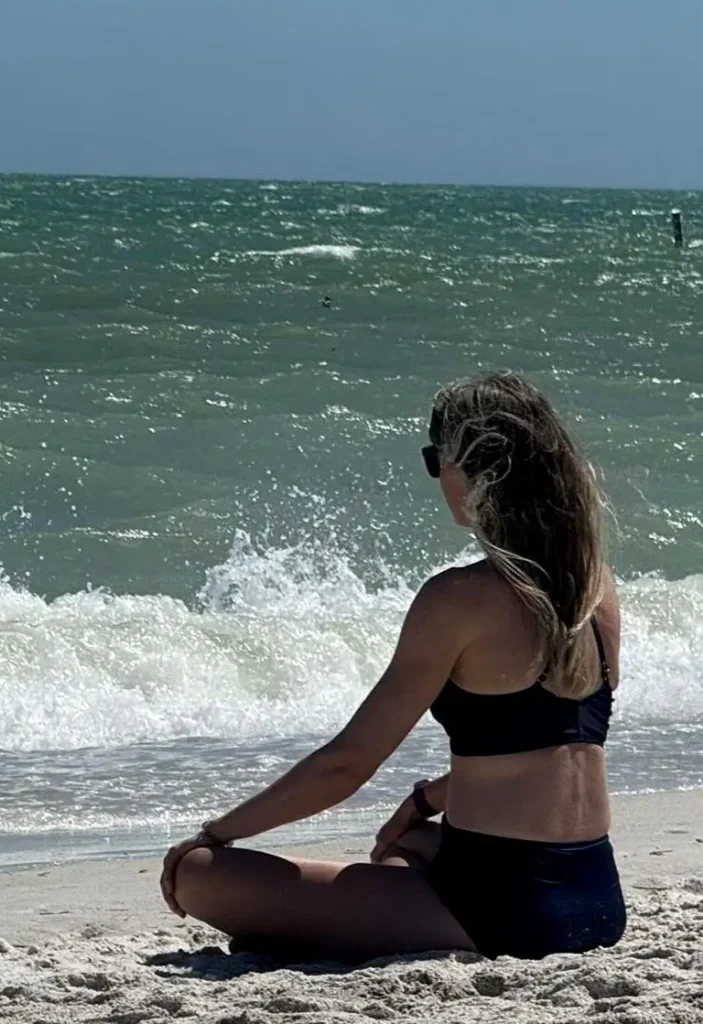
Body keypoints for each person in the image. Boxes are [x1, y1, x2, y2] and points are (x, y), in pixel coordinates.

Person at [160, 371, 626, 963]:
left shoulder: (457, 599)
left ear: (474, 468)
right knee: (406, 843)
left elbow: (345, 765)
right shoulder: (596, 586)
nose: (437, 477)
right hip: (597, 900)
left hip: (500, 910)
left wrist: (215, 834)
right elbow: (555, 745)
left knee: (200, 875)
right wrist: (427, 798)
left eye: (437, 460)